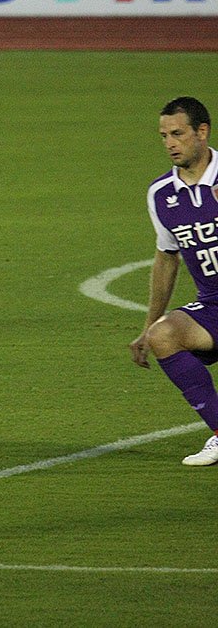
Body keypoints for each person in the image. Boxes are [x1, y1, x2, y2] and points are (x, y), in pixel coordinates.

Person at [130, 96, 218, 466]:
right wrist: (148, 327)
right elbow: (167, 258)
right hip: (213, 304)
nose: (170, 143)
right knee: (162, 336)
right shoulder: (161, 193)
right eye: (164, 136)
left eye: (178, 134)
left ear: (202, 132)